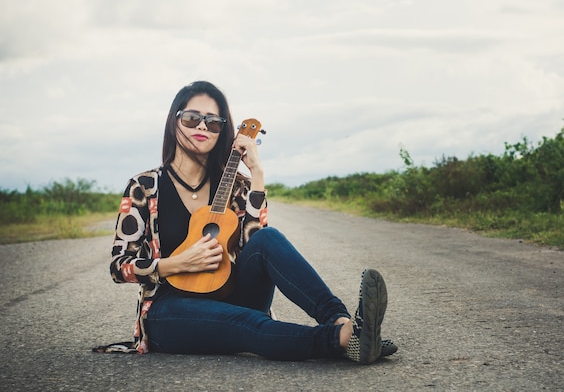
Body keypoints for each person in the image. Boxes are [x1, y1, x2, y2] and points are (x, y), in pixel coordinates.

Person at [107, 80, 397, 364]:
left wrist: (257, 173)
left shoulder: (236, 185)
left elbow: (255, 244)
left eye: (213, 123)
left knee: (268, 240)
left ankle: (345, 322)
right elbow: (120, 266)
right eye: (193, 118)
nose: (202, 128)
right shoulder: (144, 187)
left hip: (230, 294)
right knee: (249, 323)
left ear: (224, 132)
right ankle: (343, 339)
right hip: (170, 311)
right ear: (174, 122)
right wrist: (178, 263)